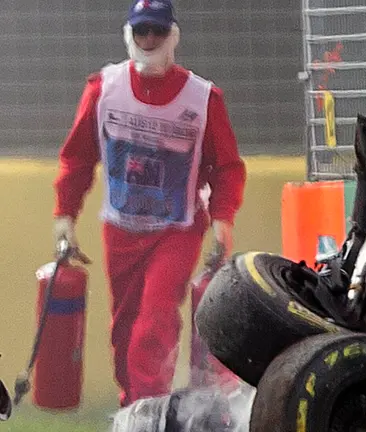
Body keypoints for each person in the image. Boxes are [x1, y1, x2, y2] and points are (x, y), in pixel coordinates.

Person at [51, 0, 247, 407]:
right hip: (119, 229)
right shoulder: (103, 90)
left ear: (172, 35)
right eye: (142, 32)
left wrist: (222, 220)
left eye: (158, 31)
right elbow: (78, 157)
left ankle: (148, 408)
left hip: (176, 230)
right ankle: (133, 403)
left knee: (154, 323)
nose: (150, 40)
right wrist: (65, 215)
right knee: (124, 331)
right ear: (130, 34)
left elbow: (226, 166)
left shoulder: (202, 98)